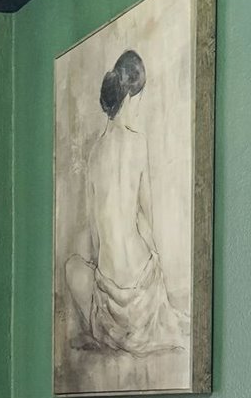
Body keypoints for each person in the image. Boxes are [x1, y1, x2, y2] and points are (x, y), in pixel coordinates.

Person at [64, 49, 187, 358]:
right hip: (142, 288)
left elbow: (96, 234)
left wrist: (102, 269)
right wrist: (156, 261)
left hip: (109, 294)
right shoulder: (138, 144)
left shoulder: (94, 155)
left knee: (72, 267)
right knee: (143, 252)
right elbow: (146, 217)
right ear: (131, 98)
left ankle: (109, 328)